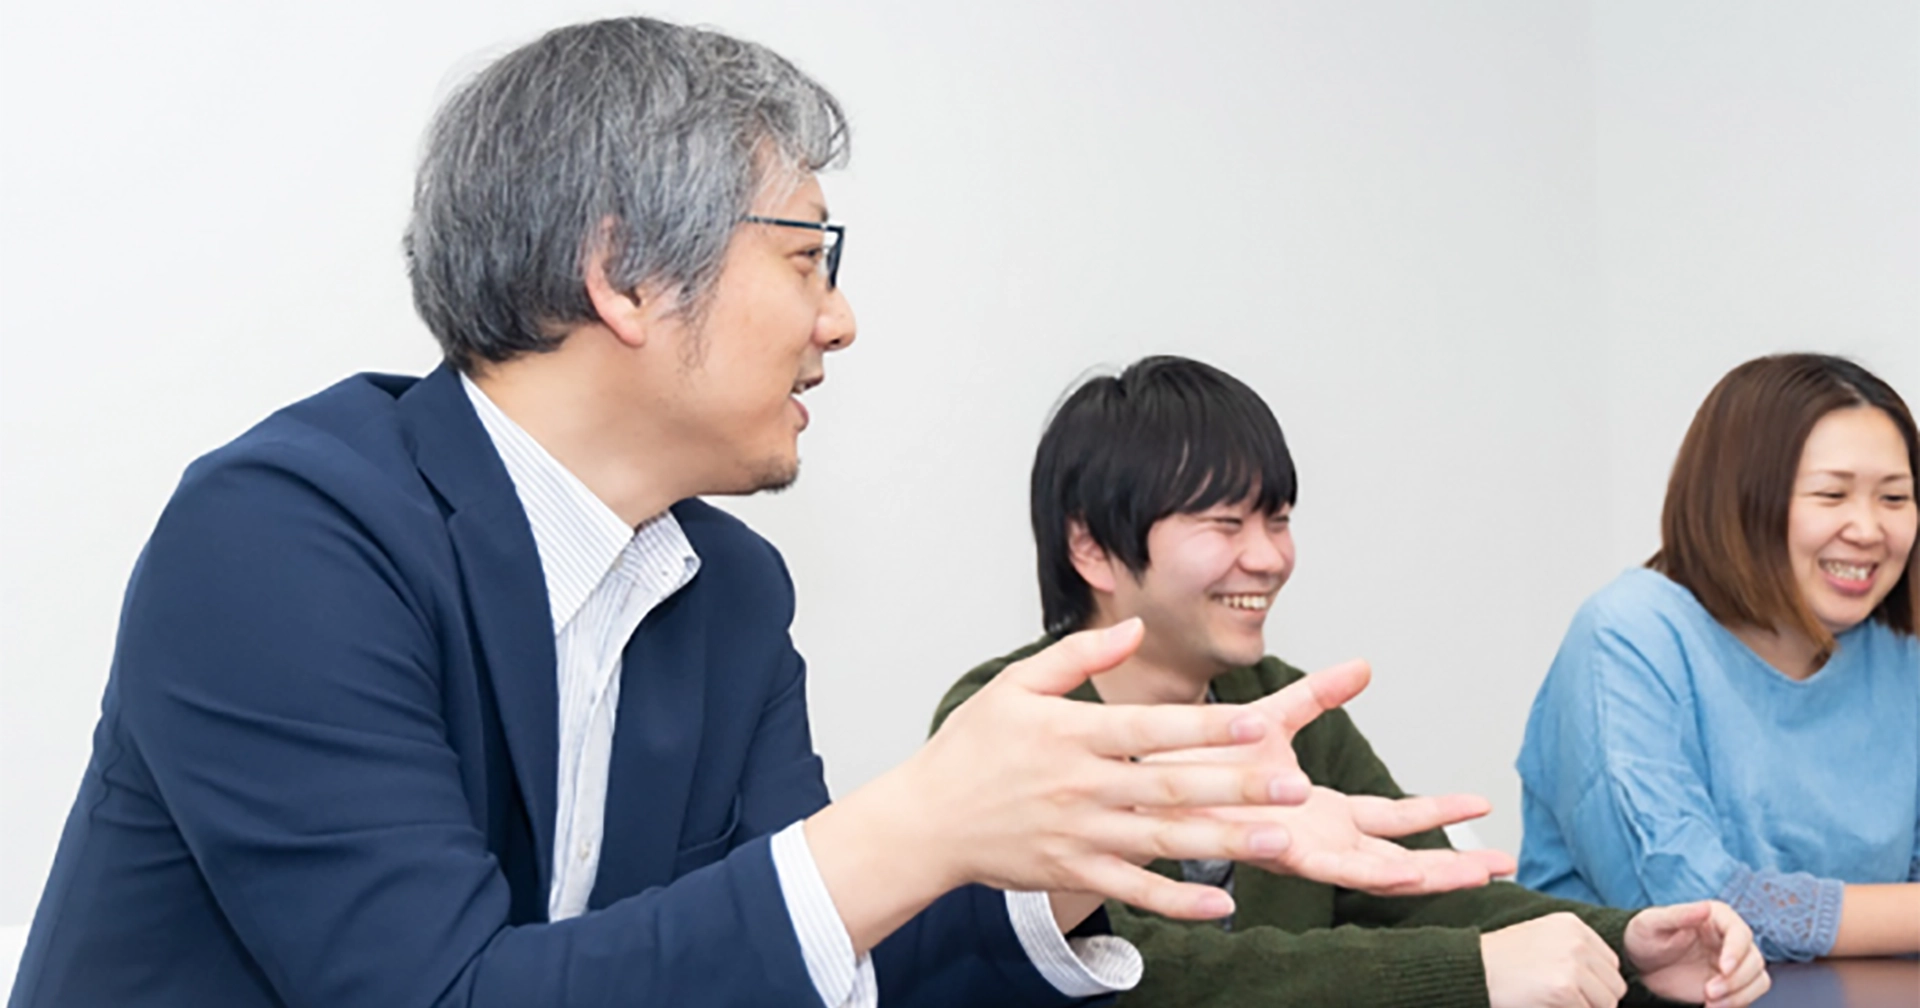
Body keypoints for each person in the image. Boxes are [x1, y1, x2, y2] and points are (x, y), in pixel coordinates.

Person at [6, 20, 1435, 1008]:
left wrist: (1071, 854)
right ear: (626, 275)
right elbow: (439, 993)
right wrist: (919, 822)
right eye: (808, 257)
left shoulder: (730, 591)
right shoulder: (284, 536)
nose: (841, 318)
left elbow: (796, 960)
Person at [935, 356, 1771, 1008]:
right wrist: (1472, 973)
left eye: (1278, 520)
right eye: (1225, 524)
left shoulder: (1286, 706)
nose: (1268, 557)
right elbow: (1127, 971)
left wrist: (1632, 944)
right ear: (1091, 548)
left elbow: (1424, 893)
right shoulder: (1009, 720)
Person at [1516, 353, 1920, 963]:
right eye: (1831, 494)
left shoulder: (1900, 654)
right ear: (1739, 500)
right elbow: (1693, 911)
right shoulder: (1629, 633)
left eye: (1894, 497)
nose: (1868, 529)